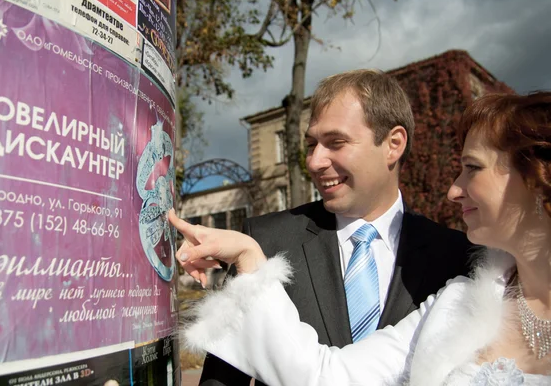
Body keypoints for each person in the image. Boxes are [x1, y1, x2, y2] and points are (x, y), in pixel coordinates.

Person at [171, 91, 551, 385]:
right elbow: (326, 376)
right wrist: (252, 260)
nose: (454, 190)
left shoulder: (455, 254)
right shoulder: (458, 302)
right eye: (310, 145)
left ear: (538, 179)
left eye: (472, 168)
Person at [195, 70, 474, 385]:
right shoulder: (264, 241)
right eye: (312, 144)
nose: (314, 161)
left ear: (393, 144)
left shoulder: (456, 256)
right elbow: (222, 378)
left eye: (336, 143)